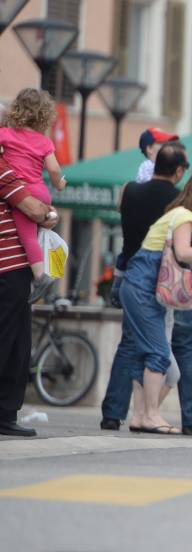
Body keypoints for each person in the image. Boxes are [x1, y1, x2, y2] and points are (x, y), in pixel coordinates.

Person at [101, 143, 192, 435]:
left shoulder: (129, 191)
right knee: (181, 348)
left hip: (132, 275)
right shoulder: (179, 203)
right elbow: (183, 247)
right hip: (166, 282)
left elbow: (123, 219)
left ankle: (114, 413)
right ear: (179, 171)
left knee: (130, 347)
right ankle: (190, 415)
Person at [120, 171, 192, 434]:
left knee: (147, 355)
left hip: (138, 285)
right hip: (143, 287)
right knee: (159, 354)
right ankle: (150, 415)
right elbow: (183, 252)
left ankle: (140, 416)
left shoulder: (177, 213)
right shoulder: (185, 215)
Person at [0, 155, 58, 436]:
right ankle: (5, 414)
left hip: (11, 268)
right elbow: (33, 209)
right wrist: (49, 214)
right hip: (8, 267)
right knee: (12, 342)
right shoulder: (3, 169)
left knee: (15, 342)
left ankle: (6, 413)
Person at [0, 88, 67, 303]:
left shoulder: (6, 135)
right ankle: (45, 267)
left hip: (24, 191)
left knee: (27, 237)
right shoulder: (44, 142)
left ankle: (40, 276)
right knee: (39, 229)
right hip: (41, 190)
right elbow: (55, 170)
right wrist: (60, 184)